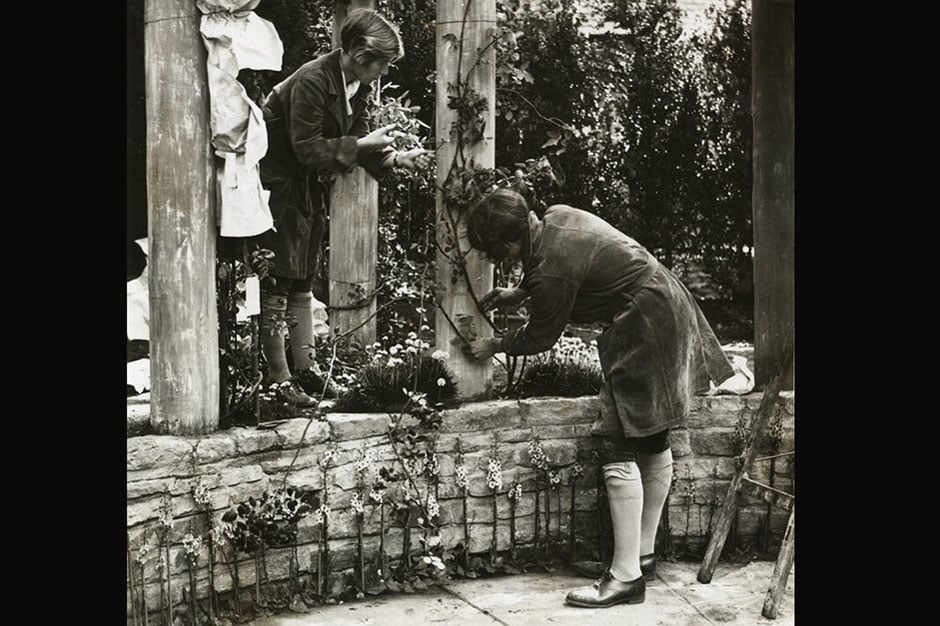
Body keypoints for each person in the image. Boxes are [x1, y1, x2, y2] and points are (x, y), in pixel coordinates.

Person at [464, 188, 751, 609]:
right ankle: (641, 556)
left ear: (510, 242)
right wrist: (520, 293)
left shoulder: (551, 273)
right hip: (663, 301)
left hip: (645, 322)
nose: (497, 260)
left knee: (617, 440)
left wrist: (494, 345)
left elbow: (542, 335)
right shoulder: (555, 216)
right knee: (651, 436)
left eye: (497, 252)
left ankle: (625, 578)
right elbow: (576, 262)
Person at [254, 9, 434, 407]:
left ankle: (306, 370)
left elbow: (359, 141)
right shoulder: (315, 79)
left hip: (306, 183)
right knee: (278, 277)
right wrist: (365, 147)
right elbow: (306, 148)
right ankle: (279, 380)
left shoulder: (356, 85)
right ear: (358, 52)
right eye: (383, 63)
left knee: (303, 276)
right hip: (278, 183)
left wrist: (396, 159)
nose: (384, 72)